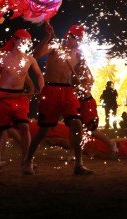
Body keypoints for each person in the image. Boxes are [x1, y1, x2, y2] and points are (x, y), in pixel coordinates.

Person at [25, 23, 94, 175]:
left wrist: (85, 81)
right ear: (69, 36)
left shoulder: (78, 54)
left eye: (80, 39)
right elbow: (35, 55)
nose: (77, 41)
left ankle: (78, 165)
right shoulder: (56, 46)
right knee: (43, 131)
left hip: (68, 91)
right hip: (51, 90)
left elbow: (85, 76)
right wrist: (47, 37)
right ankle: (28, 161)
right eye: (76, 38)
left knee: (76, 124)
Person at [0, 29, 44, 173]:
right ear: (14, 40)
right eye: (21, 40)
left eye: (26, 42)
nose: (24, 43)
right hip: (2, 96)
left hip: (19, 97)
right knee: (0, 132)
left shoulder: (29, 59)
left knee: (24, 127)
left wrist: (42, 88)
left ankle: (27, 161)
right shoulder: (2, 57)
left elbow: (39, 75)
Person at [75, 49, 118, 158]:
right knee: (77, 129)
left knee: (91, 130)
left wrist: (79, 87)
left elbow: (90, 82)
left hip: (87, 103)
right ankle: (78, 152)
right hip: (79, 103)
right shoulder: (75, 68)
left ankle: (111, 144)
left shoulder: (83, 69)